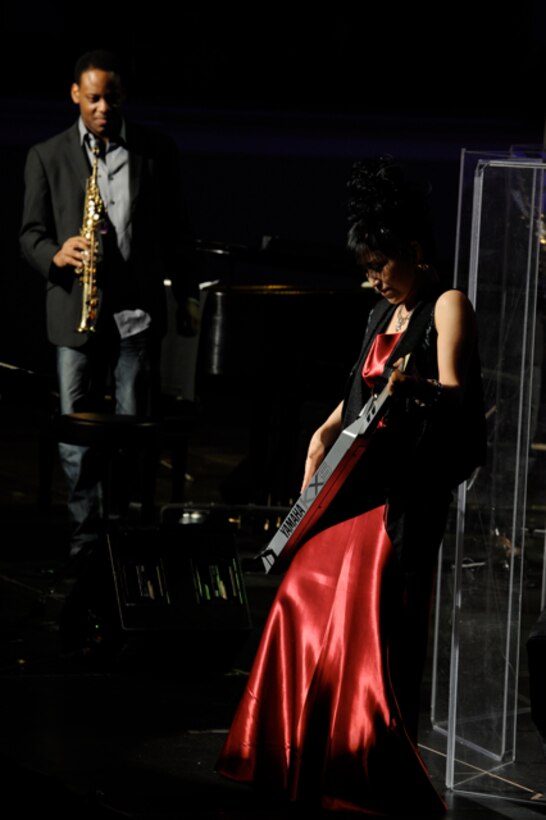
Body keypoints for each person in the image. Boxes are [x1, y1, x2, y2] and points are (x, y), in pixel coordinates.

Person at [216, 156, 487, 815]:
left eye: (380, 265)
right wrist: (318, 438)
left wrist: (414, 388)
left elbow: (454, 394)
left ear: (415, 252)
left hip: (398, 496)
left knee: (355, 618)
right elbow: (351, 405)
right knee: (298, 589)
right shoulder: (379, 317)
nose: (372, 279)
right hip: (356, 489)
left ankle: (357, 763)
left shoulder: (445, 304)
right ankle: (293, 753)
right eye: (366, 267)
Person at [19, 49, 200, 559]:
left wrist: (186, 295)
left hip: (135, 316)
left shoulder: (155, 152)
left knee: (130, 431)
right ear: (75, 94)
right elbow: (28, 235)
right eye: (93, 98)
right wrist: (57, 252)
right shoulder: (47, 155)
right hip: (74, 314)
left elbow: (179, 233)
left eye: (111, 98)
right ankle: (84, 540)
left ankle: (121, 537)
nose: (103, 108)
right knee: (76, 435)